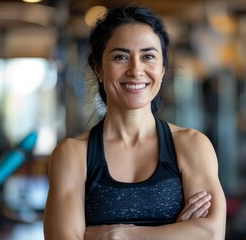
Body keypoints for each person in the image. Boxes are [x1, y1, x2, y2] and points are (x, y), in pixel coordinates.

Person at [43, 5, 226, 240]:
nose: (136, 69)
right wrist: (178, 232)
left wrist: (119, 234)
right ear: (99, 68)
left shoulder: (192, 145)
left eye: (148, 56)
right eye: (121, 57)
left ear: (162, 69)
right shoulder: (72, 154)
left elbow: (211, 234)